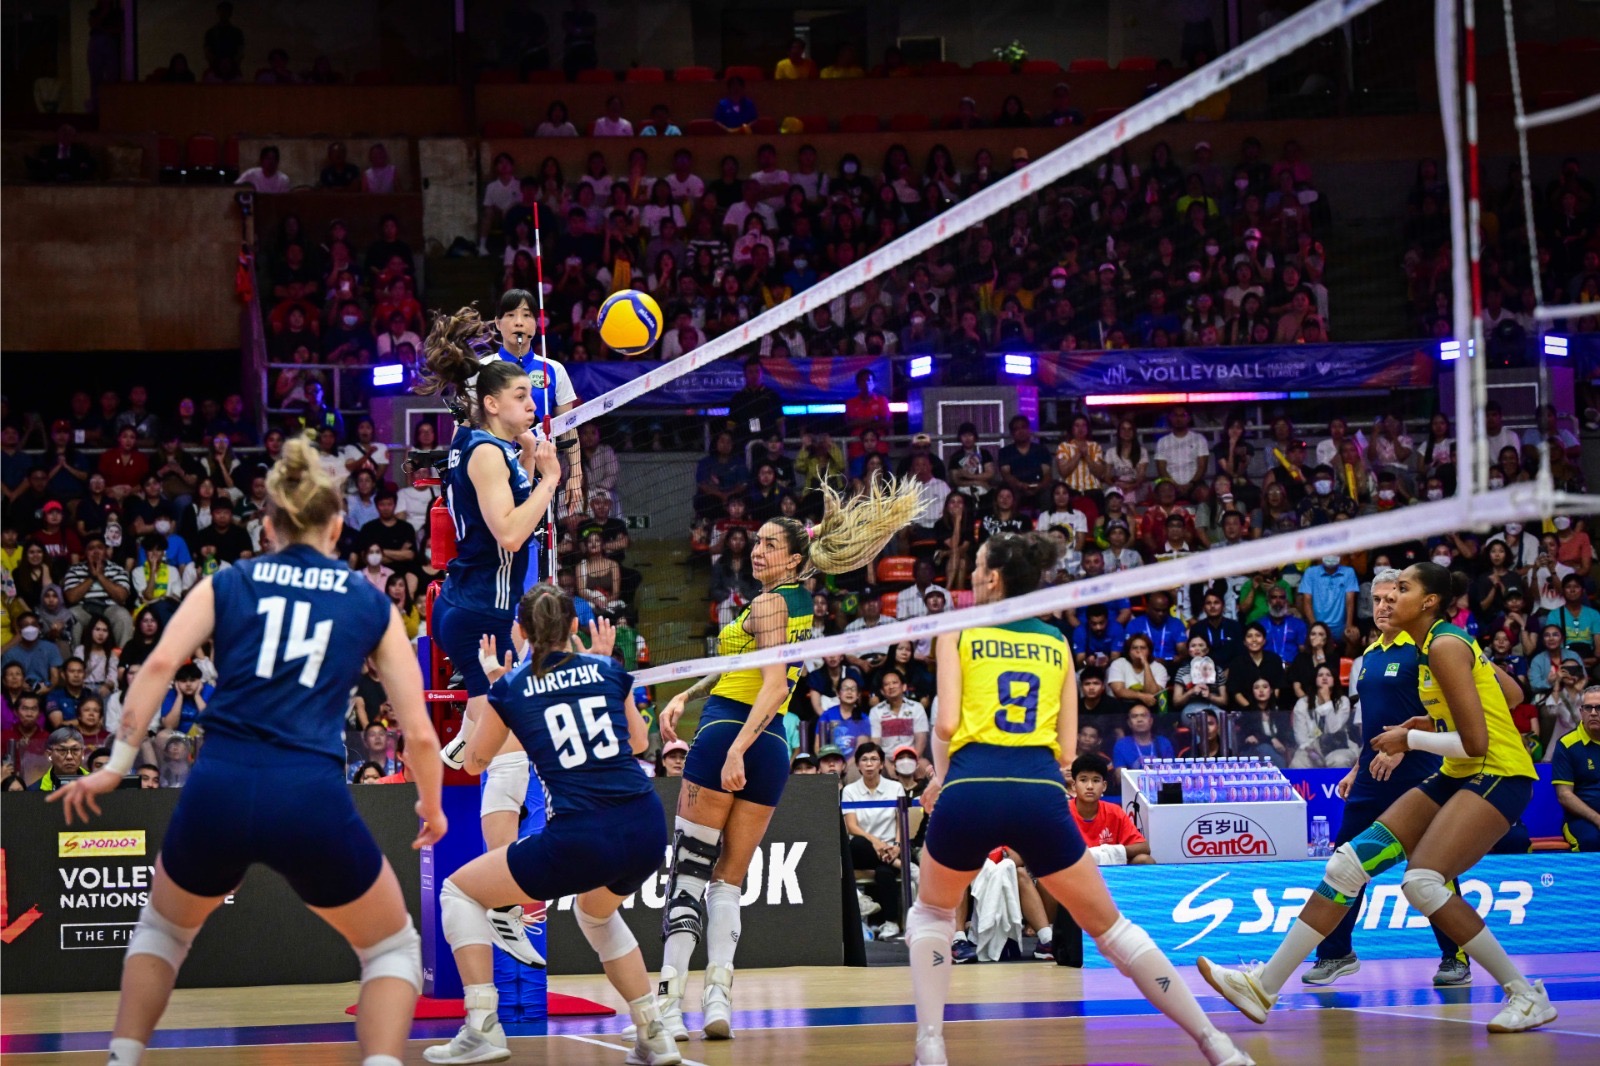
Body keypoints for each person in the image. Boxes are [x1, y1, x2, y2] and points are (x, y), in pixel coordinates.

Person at [47, 437, 445, 1066]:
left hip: (220, 787)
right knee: (391, 950)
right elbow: (420, 734)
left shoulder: (229, 581)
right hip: (308, 796)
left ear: (267, 526)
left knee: (163, 932)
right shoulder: (368, 601)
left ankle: (122, 1057)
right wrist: (432, 807)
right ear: (338, 525)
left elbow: (156, 667)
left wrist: (116, 767)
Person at [910, 532, 1249, 1066]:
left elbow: (947, 723)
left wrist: (940, 780)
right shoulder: (1055, 642)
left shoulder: (958, 629)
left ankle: (931, 1046)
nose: (971, 574)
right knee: (1113, 930)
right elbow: (1068, 750)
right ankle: (1219, 1045)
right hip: (1041, 791)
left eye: (977, 565)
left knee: (931, 911)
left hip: (971, 786)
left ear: (993, 578)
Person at [1200, 562, 1555, 1035]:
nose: (1386, 599)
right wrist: (1427, 724)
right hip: (1457, 771)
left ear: (1428, 602)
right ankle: (1263, 984)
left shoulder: (1445, 645)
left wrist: (1410, 741)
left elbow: (1478, 743)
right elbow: (1506, 692)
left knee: (1424, 881)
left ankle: (1525, 994)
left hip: (1498, 774)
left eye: (1402, 590)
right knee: (1345, 866)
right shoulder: (1436, 645)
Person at [651, 479, 921, 1041]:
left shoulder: (770, 603)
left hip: (736, 733)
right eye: (756, 542)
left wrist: (734, 748)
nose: (757, 550)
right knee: (728, 879)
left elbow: (772, 686)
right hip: (773, 745)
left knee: (689, 876)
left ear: (795, 559)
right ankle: (719, 999)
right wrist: (686, 693)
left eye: (770, 545)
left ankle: (670, 1006)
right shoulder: (790, 603)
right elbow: (746, 665)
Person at [423, 588, 678, 1065]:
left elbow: (476, 762)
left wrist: (497, 683)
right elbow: (641, 741)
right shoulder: (609, 671)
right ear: (575, 629)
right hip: (645, 826)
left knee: (459, 892)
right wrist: (604, 670)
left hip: (583, 835)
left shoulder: (512, 688)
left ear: (519, 632)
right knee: (596, 914)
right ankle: (653, 1033)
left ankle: (482, 1028)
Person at [414, 306, 563, 863]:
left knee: (498, 746)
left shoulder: (480, 441)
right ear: (494, 404)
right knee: (510, 753)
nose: (533, 404)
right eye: (523, 396)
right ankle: (501, 890)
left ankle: (467, 741)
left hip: (469, 603)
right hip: (484, 612)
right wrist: (548, 480)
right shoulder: (483, 452)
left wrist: (526, 458)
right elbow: (507, 533)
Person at [1302, 568, 1468, 986]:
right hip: (1370, 778)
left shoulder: (1428, 649)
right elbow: (1373, 724)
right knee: (1341, 866)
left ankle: (1456, 957)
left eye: (1391, 598)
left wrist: (1406, 744)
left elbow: (1453, 713)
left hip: (1422, 774)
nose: (1382, 607)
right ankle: (1336, 953)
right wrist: (1359, 766)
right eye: (1376, 600)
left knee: (1433, 870)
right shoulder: (1370, 656)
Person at [1068, 753, 1152, 864]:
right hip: (1073, 871)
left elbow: (1144, 847)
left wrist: (1108, 852)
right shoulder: (1062, 812)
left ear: (1104, 786)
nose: (1090, 786)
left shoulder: (1114, 812)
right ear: (1074, 785)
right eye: (1083, 780)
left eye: (1096, 780)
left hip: (1110, 872)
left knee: (1144, 860)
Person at [1552, 687, 1600, 850]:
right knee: (1591, 840)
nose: (1593, 713)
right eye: (1588, 708)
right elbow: (1564, 795)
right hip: (1581, 819)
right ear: (1581, 711)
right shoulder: (1567, 744)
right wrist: (1597, 818)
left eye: (1599, 708)